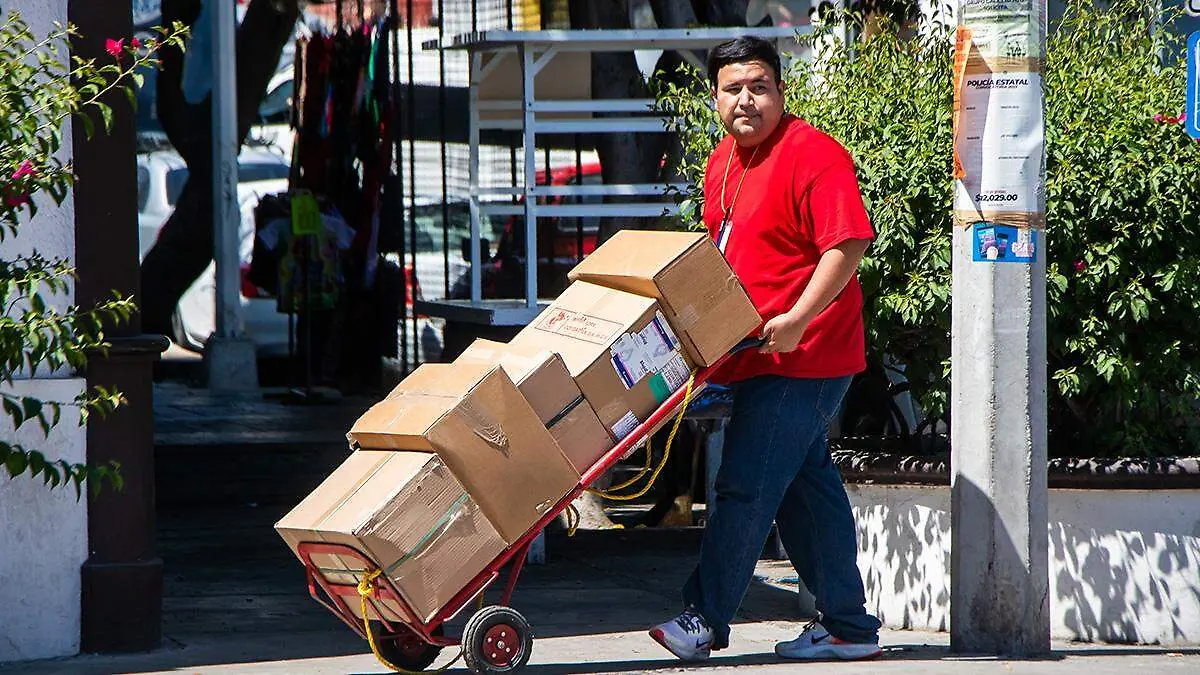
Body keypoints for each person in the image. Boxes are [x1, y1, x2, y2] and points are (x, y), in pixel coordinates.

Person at [648, 36, 883, 662]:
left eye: (759, 86)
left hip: (807, 356)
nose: (745, 100)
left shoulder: (815, 154)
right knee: (808, 490)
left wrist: (801, 318)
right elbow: (723, 255)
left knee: (746, 485)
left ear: (781, 92)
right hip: (751, 354)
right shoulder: (722, 159)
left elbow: (848, 245)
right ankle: (848, 626)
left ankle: (706, 617)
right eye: (732, 89)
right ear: (715, 96)